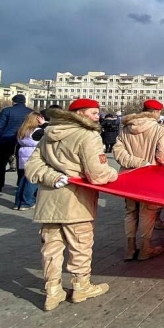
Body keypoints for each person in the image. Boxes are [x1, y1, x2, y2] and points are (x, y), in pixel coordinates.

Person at [25, 98, 118, 311]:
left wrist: (52, 177)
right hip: (77, 201)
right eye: (94, 113)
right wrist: (114, 174)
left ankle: (52, 291)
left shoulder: (49, 133)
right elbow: (97, 174)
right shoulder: (88, 135)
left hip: (48, 200)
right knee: (80, 246)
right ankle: (81, 286)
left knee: (51, 249)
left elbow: (33, 165)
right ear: (81, 114)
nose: (98, 117)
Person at [113, 98, 164, 256]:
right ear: (157, 112)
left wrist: (134, 162)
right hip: (150, 176)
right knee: (148, 211)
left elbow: (118, 152)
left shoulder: (126, 128)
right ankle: (146, 248)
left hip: (128, 175)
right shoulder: (160, 130)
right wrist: (147, 163)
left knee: (130, 211)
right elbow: (163, 156)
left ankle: (130, 247)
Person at [0, 94, 32, 192]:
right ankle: (20, 184)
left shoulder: (7, 110)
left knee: (1, 164)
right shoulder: (30, 112)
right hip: (23, 140)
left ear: (13, 102)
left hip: (5, 139)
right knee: (22, 164)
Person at [14, 111, 46, 210]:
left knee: (23, 180)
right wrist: (44, 124)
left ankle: (18, 202)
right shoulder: (38, 131)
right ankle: (27, 202)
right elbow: (52, 131)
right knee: (32, 180)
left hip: (23, 153)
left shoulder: (22, 130)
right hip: (33, 154)